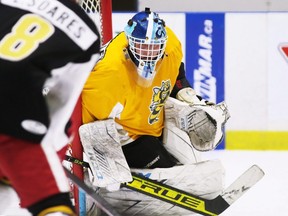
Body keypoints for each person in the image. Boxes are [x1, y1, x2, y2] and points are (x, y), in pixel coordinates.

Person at [80, 8, 230, 215]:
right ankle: (118, 203)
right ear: (129, 42)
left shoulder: (172, 45)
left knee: (189, 166)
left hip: (155, 121)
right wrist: (105, 156)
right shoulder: (108, 74)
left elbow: (177, 70)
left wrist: (184, 91)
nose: (149, 55)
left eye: (155, 47)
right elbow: (90, 123)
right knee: (171, 180)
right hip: (127, 137)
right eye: (142, 47)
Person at [0, 0, 100, 215]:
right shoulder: (88, 33)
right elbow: (60, 107)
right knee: (54, 208)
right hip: (11, 116)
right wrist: (44, 162)